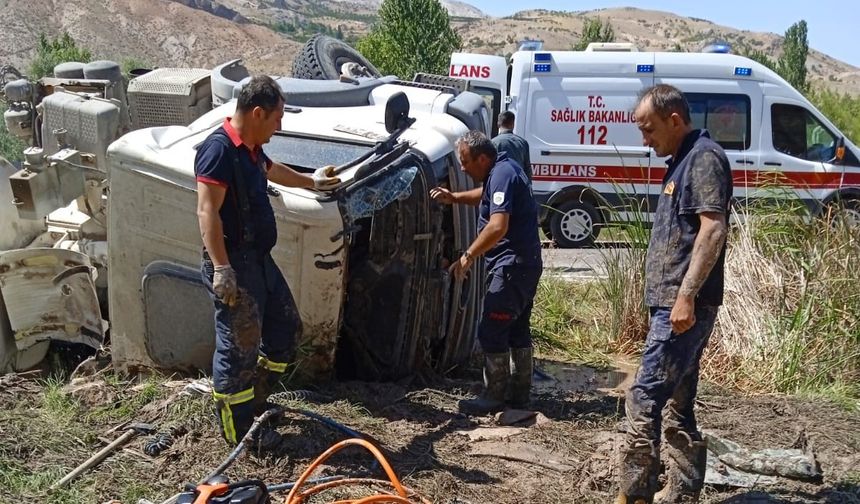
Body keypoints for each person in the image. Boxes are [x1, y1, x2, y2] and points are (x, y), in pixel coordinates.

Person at [195, 75, 340, 449]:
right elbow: (207, 211)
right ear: (258, 113)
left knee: (285, 332)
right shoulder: (219, 150)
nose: (280, 127)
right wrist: (222, 268)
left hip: (259, 261)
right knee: (237, 349)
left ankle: (255, 397)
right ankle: (238, 433)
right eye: (277, 119)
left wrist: (312, 182)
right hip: (234, 265)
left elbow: (271, 171)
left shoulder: (252, 149)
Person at [616, 84, 731, 504]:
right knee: (678, 403)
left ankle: (635, 494)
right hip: (673, 304)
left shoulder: (703, 159)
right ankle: (682, 493)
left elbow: (712, 228)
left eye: (649, 130)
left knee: (643, 396)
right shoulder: (682, 159)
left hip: (683, 308)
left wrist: (685, 297)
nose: (645, 141)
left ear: (675, 121)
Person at [430, 130, 542, 415]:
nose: (463, 168)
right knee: (516, 329)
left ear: (482, 158)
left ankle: (494, 396)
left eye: (465, 162)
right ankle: (519, 396)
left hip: (511, 266)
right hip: (524, 265)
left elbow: (497, 225)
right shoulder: (504, 170)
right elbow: (488, 195)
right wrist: (454, 197)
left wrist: (468, 256)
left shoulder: (502, 173)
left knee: (492, 328)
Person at [492, 111, 532, 183]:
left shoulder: (493, 143)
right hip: (518, 185)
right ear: (513, 124)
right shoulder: (523, 143)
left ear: (498, 124)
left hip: (499, 185)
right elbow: (527, 169)